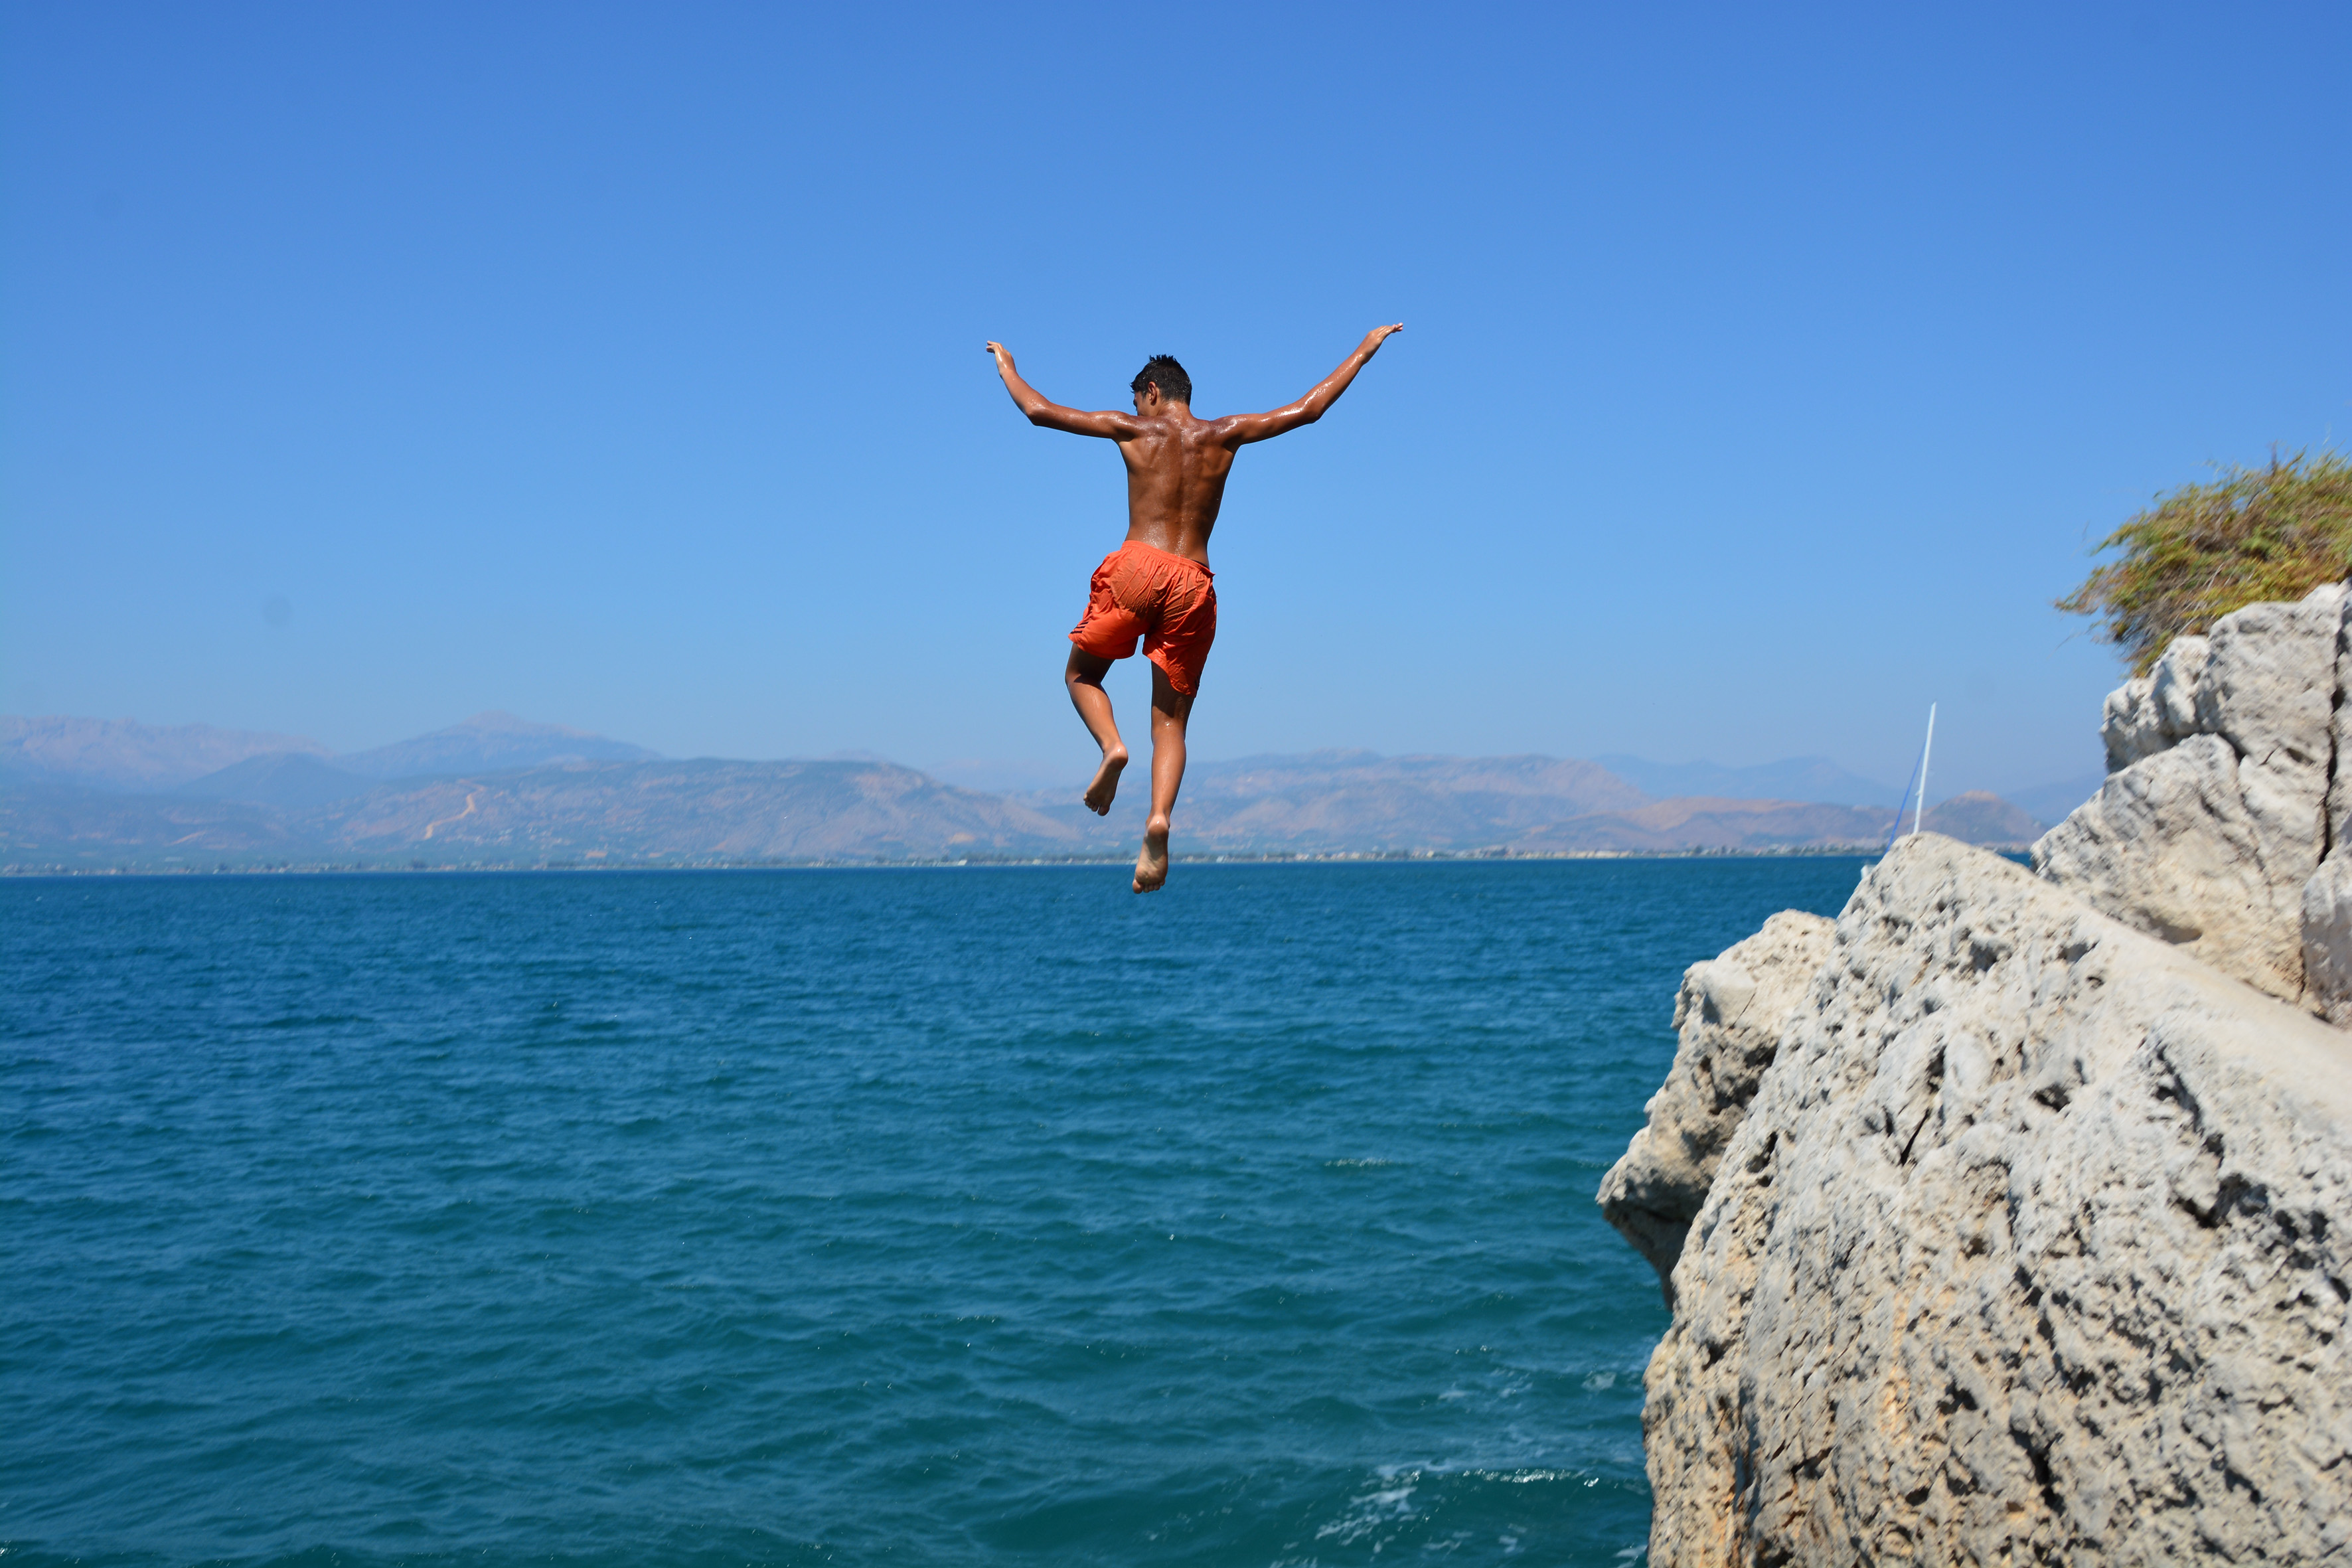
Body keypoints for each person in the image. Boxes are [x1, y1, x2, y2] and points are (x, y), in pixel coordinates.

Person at [984, 325, 1403, 892]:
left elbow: (1037, 411)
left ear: (1152, 392)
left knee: (1081, 674)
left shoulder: (1132, 428)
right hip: (1192, 582)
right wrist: (1366, 348)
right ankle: (1158, 819)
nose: (1139, 407)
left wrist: (1007, 365)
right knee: (1171, 723)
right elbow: (1309, 409)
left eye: (1140, 398)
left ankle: (1111, 747)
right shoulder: (1223, 435)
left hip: (1137, 566)